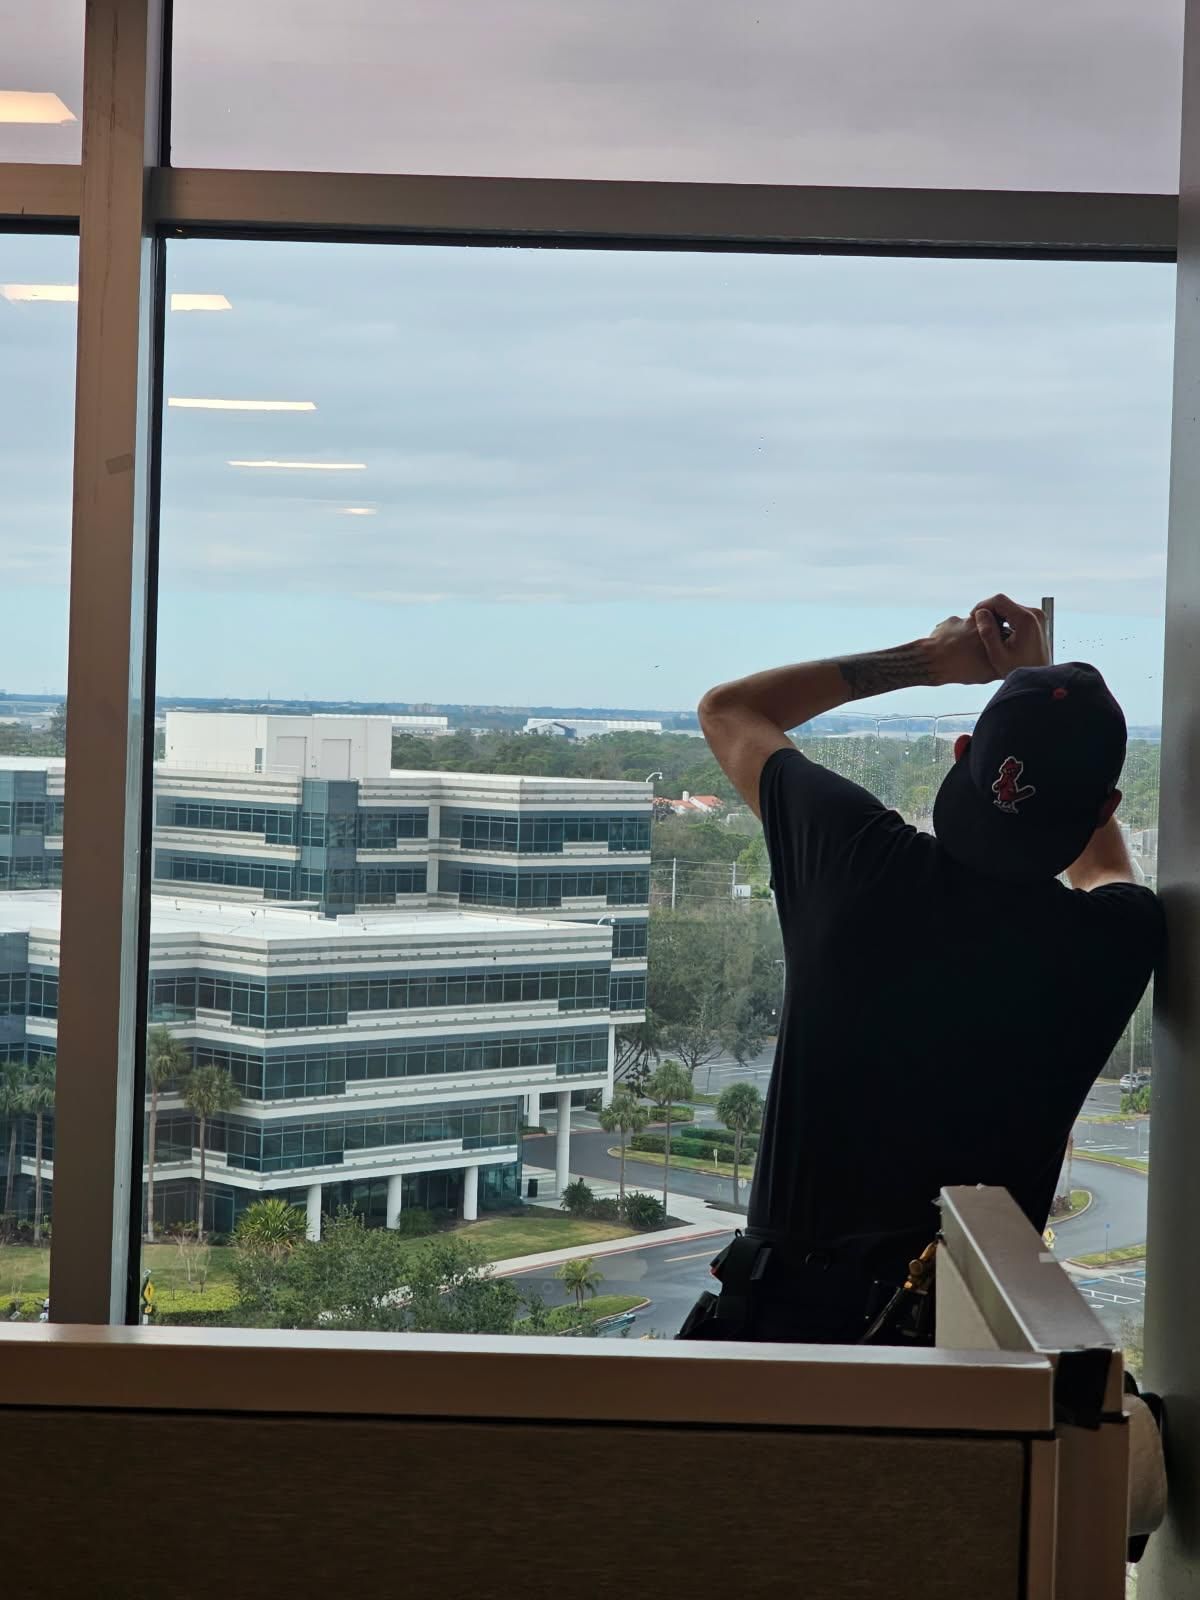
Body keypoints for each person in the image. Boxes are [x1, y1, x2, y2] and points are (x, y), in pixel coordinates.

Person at [678, 594, 1164, 1345]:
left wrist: (935, 663)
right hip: (964, 1353)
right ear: (1106, 806)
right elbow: (1104, 872)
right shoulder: (1114, 940)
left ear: (963, 753)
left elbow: (729, 709)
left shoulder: (851, 859)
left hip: (780, 1336)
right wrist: (1037, 695)